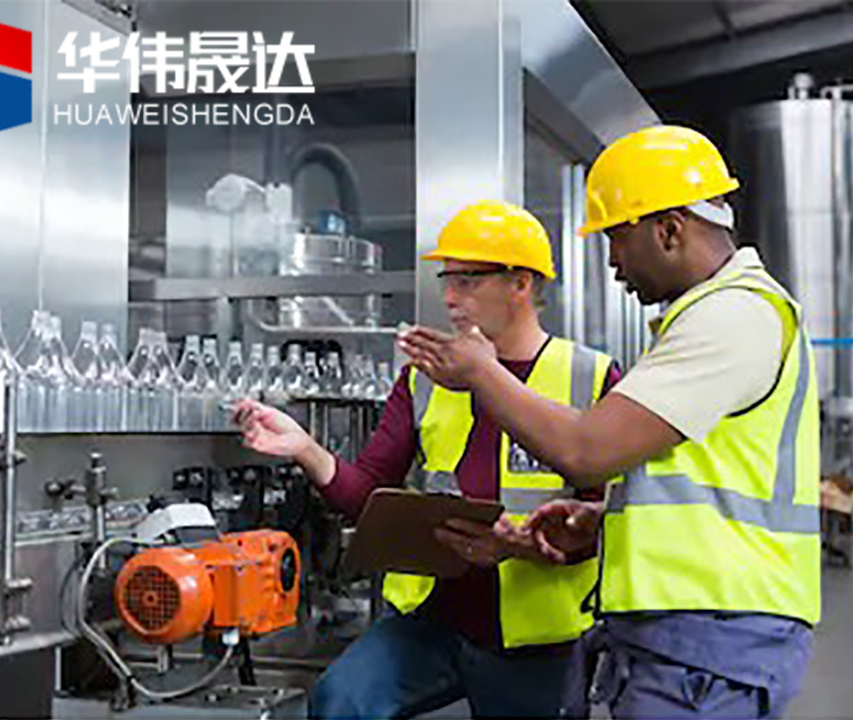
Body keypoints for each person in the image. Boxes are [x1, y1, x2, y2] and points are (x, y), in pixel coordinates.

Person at [399, 126, 820, 720]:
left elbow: (586, 450)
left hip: (712, 638)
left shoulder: (734, 316)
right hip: (689, 636)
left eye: (617, 237)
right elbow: (704, 485)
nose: (613, 262)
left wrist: (482, 373)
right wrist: (605, 524)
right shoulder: (706, 318)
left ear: (669, 229)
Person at [233, 200, 620, 719]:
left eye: (468, 280)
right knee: (339, 702)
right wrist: (304, 447)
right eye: (447, 279)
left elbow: (615, 522)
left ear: (521, 283)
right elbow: (368, 494)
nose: (450, 297)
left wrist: (523, 546)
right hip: (430, 623)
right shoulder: (423, 379)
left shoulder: (590, 377)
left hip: (539, 641)